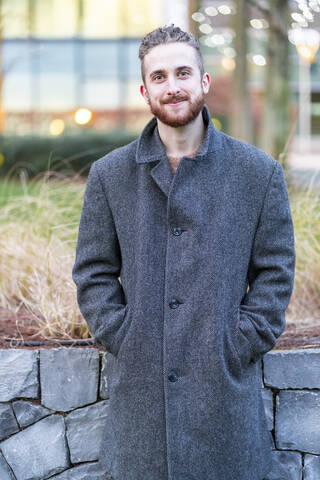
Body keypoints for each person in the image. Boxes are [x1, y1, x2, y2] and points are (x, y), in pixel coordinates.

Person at [72, 24, 296, 480]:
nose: (172, 87)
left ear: (204, 82)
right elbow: (93, 272)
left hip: (224, 402)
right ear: (144, 89)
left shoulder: (258, 173)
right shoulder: (110, 176)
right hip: (141, 406)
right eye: (159, 77)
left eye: (182, 73)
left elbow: (276, 272)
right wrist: (123, 334)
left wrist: (241, 340)